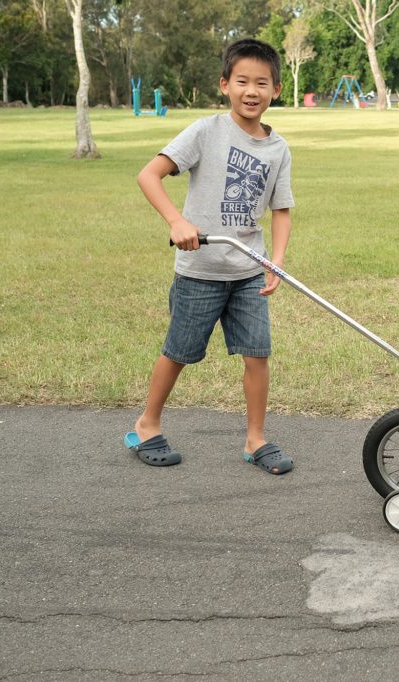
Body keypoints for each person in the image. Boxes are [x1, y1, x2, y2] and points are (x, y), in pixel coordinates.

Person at [124, 38, 294, 475]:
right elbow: (150, 175)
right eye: (242, 81)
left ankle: (256, 438)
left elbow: (281, 210)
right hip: (200, 271)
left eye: (262, 82)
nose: (251, 91)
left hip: (248, 271)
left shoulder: (277, 149)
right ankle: (147, 424)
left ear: (276, 89)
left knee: (258, 354)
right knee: (179, 351)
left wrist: (274, 259)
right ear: (225, 84)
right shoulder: (206, 131)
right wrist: (176, 222)